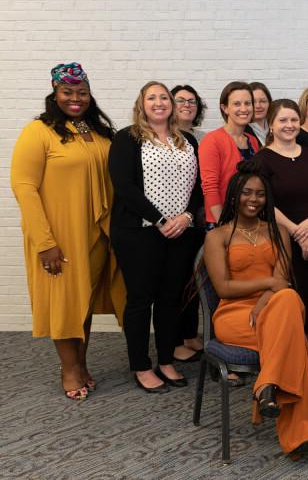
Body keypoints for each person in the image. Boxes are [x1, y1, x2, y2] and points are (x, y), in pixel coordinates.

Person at [11, 62, 125, 400]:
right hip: (60, 236)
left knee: (83, 303)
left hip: (98, 235)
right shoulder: (39, 131)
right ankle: (69, 369)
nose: (75, 98)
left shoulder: (98, 131)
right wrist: (45, 242)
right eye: (68, 92)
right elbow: (24, 186)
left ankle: (82, 363)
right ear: (54, 92)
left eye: (82, 93)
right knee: (64, 304)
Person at [205, 161, 308, 455]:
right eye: (246, 192)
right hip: (234, 316)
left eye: (260, 194)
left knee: (286, 300)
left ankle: (266, 387)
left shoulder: (277, 231)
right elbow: (223, 288)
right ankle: (300, 430)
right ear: (234, 195)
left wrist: (266, 297)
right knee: (293, 337)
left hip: (275, 308)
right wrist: (269, 284)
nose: (253, 199)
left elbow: (283, 281)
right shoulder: (217, 236)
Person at [109, 81, 203, 392]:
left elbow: (200, 186)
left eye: (164, 97)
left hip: (181, 233)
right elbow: (124, 187)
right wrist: (161, 219)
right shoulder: (127, 138)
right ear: (142, 104)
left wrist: (187, 217)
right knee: (140, 300)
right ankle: (140, 365)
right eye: (152, 97)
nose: (159, 102)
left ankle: (165, 360)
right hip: (140, 233)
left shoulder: (187, 140)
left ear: (172, 105)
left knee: (170, 300)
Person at [252, 99, 308, 348]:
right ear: (271, 125)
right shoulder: (262, 160)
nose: (289, 125)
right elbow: (263, 202)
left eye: (294, 120)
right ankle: (293, 354)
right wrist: (297, 232)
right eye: (283, 120)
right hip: (282, 240)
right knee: (290, 297)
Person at [170, 83, 208, 362]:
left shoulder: (201, 137)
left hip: (196, 217)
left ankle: (189, 334)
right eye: (180, 100)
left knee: (193, 280)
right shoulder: (163, 137)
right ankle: (174, 342)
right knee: (175, 282)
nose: (186, 105)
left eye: (191, 101)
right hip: (173, 221)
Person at [198, 81, 259, 226]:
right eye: (237, 104)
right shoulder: (212, 140)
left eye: (247, 103)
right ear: (225, 108)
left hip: (248, 219)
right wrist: (222, 223)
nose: (243, 109)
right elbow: (210, 186)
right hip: (222, 220)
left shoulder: (252, 141)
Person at [245, 81, 272, 147]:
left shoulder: (277, 125)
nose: (258, 106)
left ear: (269, 103)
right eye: (253, 102)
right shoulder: (242, 131)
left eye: (263, 101)